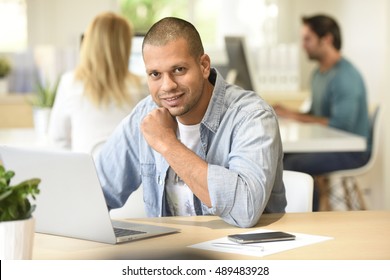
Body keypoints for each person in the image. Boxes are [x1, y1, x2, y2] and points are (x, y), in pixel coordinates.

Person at [96, 17, 286, 228]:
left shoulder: (252, 116)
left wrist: (167, 144)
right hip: (171, 256)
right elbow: (96, 193)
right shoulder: (145, 115)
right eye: (155, 74)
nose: (167, 86)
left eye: (178, 70)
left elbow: (245, 210)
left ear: (204, 66)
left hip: (243, 254)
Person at [274, 14, 370, 210]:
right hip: (333, 145)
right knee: (278, 157)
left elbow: (340, 124)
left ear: (326, 39)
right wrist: (290, 113)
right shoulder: (318, 73)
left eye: (308, 39)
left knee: (294, 164)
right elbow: (315, 113)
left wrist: (294, 115)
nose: (303, 45)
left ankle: (310, 220)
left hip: (351, 151)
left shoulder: (345, 77)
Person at [48, 12, 147, 154]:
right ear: (125, 45)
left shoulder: (69, 83)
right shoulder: (143, 86)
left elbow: (57, 140)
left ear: (88, 42)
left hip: (83, 172)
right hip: (130, 174)